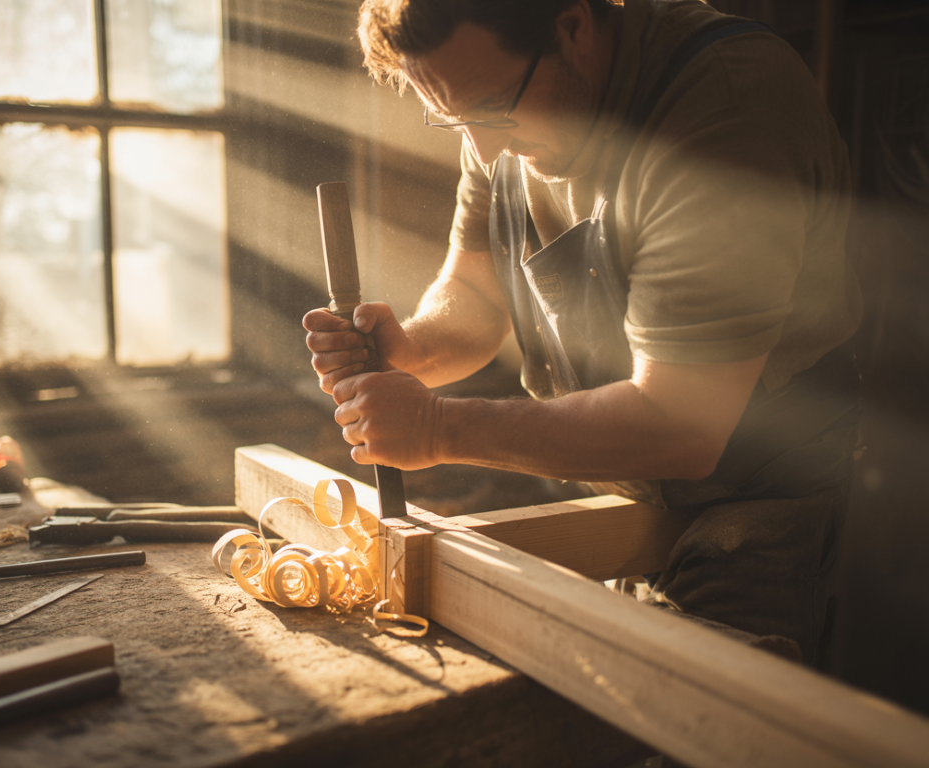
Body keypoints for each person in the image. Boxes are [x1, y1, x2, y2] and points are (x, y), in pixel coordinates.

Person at [303, 0, 862, 667]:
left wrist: (433, 430)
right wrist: (414, 349)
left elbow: (680, 427)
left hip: (761, 494)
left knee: (715, 720)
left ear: (574, 27)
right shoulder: (502, 105)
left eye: (488, 107)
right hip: (619, 486)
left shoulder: (727, 111)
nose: (480, 148)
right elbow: (476, 293)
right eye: (453, 119)